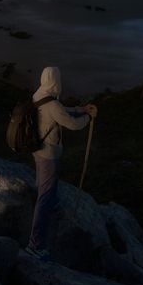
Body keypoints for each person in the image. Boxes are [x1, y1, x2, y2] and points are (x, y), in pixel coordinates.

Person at [25, 65, 97, 261]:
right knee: (46, 196)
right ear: (56, 80)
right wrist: (87, 118)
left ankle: (39, 217)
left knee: (42, 187)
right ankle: (35, 245)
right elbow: (71, 124)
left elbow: (62, 111)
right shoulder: (52, 105)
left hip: (37, 150)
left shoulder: (39, 95)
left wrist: (80, 109)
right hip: (48, 154)